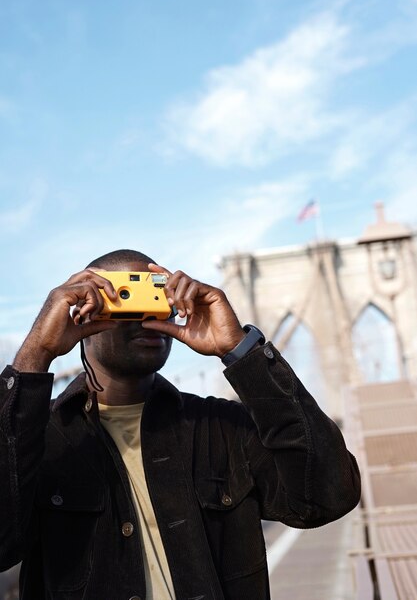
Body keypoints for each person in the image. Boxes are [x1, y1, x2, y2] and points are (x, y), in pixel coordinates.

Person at [0, 249, 360, 600]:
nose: (148, 312)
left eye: (158, 294)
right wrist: (37, 351)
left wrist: (240, 350)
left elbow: (327, 499)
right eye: (126, 297)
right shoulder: (38, 436)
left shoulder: (223, 427)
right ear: (84, 313)